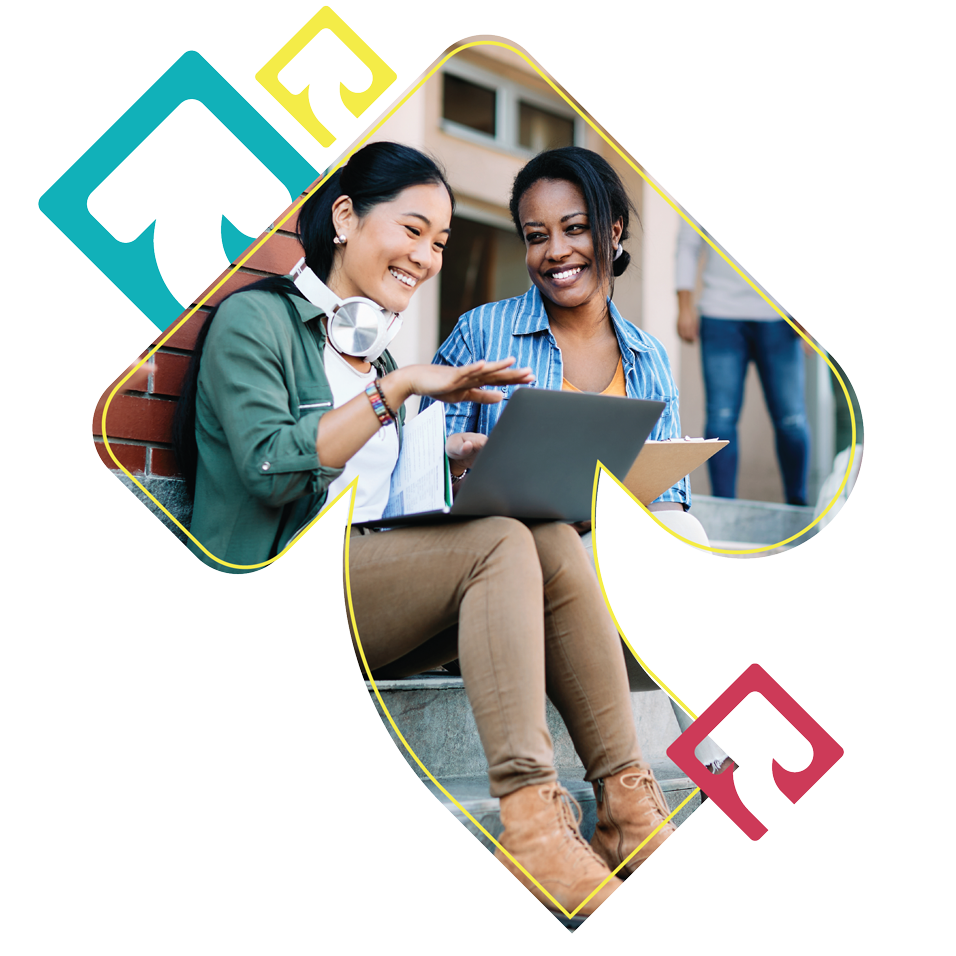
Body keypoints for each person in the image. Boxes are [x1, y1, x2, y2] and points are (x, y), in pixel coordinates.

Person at [172, 142, 681, 917]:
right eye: (413, 231)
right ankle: (533, 821)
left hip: (360, 599)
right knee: (502, 541)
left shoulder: (373, 357)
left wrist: (449, 455)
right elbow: (270, 468)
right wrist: (401, 390)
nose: (426, 257)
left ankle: (627, 805)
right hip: (270, 600)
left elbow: (378, 498)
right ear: (346, 216)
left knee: (541, 532)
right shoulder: (257, 320)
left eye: (439, 242)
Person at [424, 146, 732, 776]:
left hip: (612, 574)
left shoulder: (647, 356)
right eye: (537, 236)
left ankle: (722, 758)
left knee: (685, 530)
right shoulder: (483, 333)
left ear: (612, 230)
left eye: (574, 228)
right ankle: (724, 761)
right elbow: (418, 479)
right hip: (509, 571)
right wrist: (461, 464)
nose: (556, 252)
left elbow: (667, 502)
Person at [675, 217, 811, 505]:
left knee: (792, 421)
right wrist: (684, 306)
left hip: (780, 317)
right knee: (721, 419)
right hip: (720, 314)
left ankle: (798, 508)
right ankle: (724, 509)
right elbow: (687, 244)